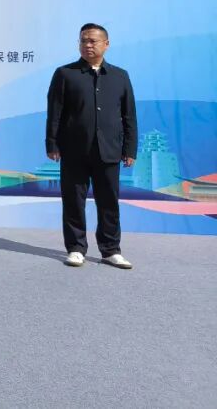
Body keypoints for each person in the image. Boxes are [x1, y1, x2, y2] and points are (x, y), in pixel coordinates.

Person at [46, 23, 137, 269]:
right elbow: (54, 112)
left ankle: (111, 250)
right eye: (83, 40)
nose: (88, 45)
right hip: (74, 149)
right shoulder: (65, 74)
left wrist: (129, 149)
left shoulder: (120, 76)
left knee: (109, 202)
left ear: (106, 44)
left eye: (93, 41)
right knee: (73, 201)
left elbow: (129, 115)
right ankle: (76, 248)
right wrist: (52, 143)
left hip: (109, 149)